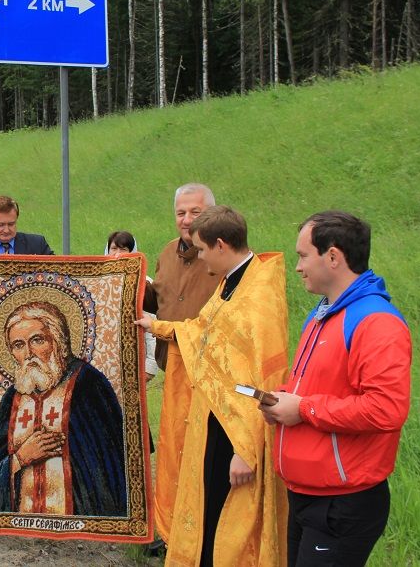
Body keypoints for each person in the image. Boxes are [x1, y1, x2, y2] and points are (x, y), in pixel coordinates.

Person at [136, 206, 289, 566]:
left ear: (221, 245)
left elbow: (263, 381)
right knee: (208, 507)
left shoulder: (258, 297)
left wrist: (246, 449)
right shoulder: (231, 282)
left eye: (202, 249)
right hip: (214, 418)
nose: (200, 257)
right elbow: (202, 331)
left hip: (237, 431)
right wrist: (155, 326)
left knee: (227, 516)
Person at [261, 211, 411, 566]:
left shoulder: (376, 322)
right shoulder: (324, 314)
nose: (298, 267)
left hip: (342, 503)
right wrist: (283, 400)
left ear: (333, 257)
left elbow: (386, 409)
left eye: (302, 256)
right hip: (307, 493)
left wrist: (303, 409)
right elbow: (316, 386)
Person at [0, 301, 127, 516]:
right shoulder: (13, 398)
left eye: (37, 340)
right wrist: (20, 458)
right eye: (18, 345)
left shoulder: (88, 384)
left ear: (58, 341)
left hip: (78, 517)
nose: (28, 353)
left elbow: (113, 462)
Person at [145, 183, 221, 551]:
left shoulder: (223, 258)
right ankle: (170, 531)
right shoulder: (166, 253)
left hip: (210, 380)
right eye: (181, 213)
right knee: (174, 456)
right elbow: (157, 298)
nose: (187, 220)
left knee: (202, 463)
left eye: (196, 212)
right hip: (173, 371)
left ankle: (198, 540)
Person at [106, 230, 158, 381]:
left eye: (124, 249)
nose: (118, 254)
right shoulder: (100, 281)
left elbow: (152, 327)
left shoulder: (144, 284)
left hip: (134, 358)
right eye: (114, 248)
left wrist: (150, 367)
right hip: (106, 359)